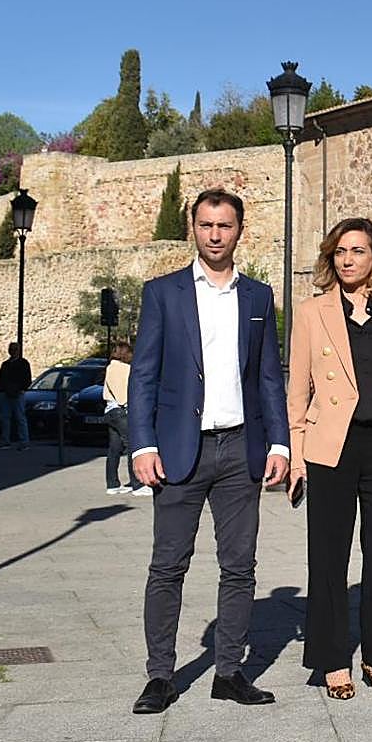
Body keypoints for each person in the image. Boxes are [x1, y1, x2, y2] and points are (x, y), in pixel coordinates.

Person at [128, 188, 289, 714]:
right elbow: (143, 377)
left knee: (239, 566)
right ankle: (160, 676)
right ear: (192, 229)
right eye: (205, 225)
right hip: (179, 450)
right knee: (167, 566)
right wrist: (142, 445)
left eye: (224, 226)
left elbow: (269, 377)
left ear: (240, 230)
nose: (215, 235)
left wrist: (280, 443)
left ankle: (229, 672)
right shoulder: (163, 294)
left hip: (241, 447)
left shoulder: (259, 298)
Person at [287, 217, 372, 700]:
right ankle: (333, 659)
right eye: (340, 252)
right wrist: (297, 460)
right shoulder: (311, 312)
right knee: (329, 557)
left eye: (358, 251)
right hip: (331, 446)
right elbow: (298, 393)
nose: (348, 259)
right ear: (330, 258)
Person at [102, 341, 149, 497]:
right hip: (121, 411)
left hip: (110, 410)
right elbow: (124, 395)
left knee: (114, 449)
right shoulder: (123, 369)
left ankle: (112, 484)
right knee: (132, 445)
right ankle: (137, 484)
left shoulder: (111, 367)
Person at [0, 342, 31, 450]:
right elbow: (0, 378)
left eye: (15, 349)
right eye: (11, 349)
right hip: (5, 393)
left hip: (18, 394)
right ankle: (6, 441)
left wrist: (22, 389)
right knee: (5, 418)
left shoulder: (23, 363)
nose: (13, 351)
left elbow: (27, 378)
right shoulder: (5, 364)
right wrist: (0, 391)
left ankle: (24, 442)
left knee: (20, 418)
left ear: (18, 351)